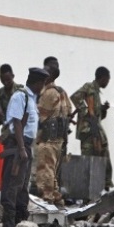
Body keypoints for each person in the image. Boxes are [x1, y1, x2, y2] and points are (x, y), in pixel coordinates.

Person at [0, 68, 48, 227]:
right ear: (37, 82)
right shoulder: (20, 96)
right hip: (17, 144)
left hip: (26, 144)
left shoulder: (32, 99)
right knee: (12, 184)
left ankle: (20, 220)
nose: (42, 87)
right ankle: (8, 223)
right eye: (42, 83)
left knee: (22, 184)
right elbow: (17, 122)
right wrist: (21, 148)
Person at [70, 66, 113, 189]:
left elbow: (96, 115)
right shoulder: (89, 87)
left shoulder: (97, 92)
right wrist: (85, 111)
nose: (107, 82)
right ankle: (85, 189)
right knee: (87, 161)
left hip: (97, 131)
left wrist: (103, 110)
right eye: (107, 79)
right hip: (87, 131)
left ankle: (106, 184)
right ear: (102, 78)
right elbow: (75, 97)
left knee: (103, 156)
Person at [35, 64, 71, 205]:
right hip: (59, 138)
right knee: (53, 169)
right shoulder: (61, 91)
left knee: (46, 169)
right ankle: (56, 197)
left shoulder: (48, 93)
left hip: (48, 138)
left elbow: (41, 115)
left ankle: (48, 197)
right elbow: (69, 110)